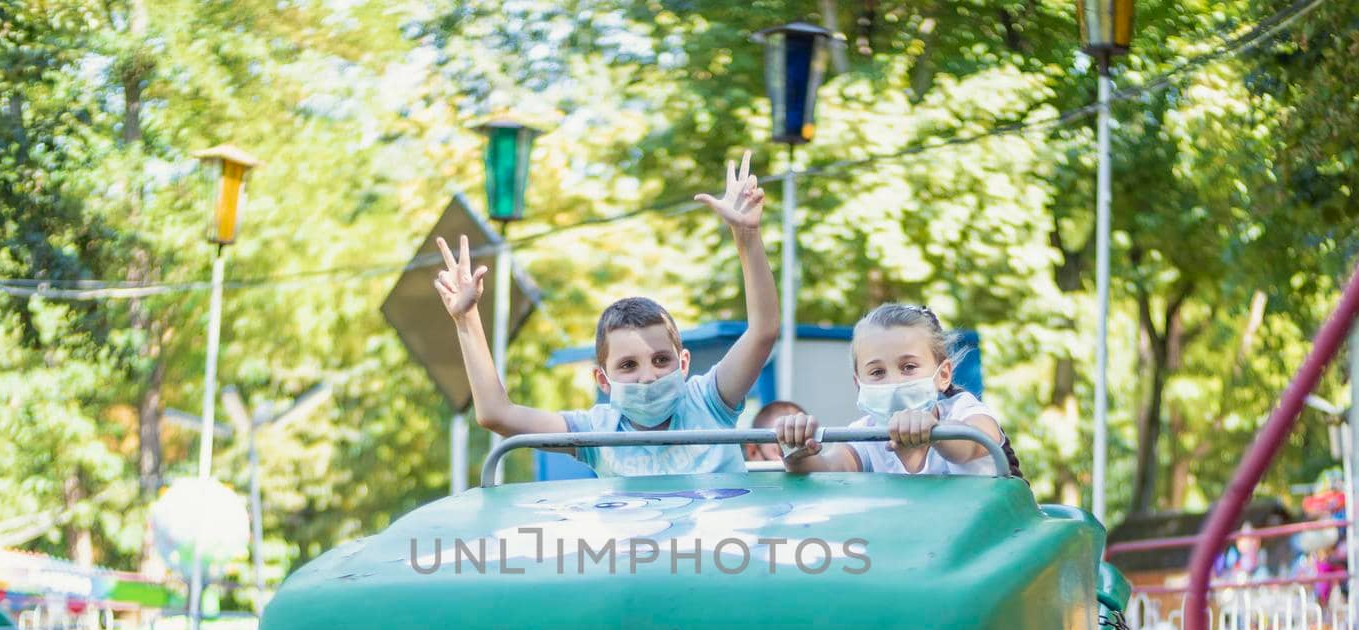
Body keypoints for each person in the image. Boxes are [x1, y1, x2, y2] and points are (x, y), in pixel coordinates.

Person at [432, 152, 778, 477]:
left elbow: (763, 331)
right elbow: (496, 414)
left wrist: (747, 237)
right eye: (628, 365)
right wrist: (467, 319)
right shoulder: (597, 431)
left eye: (661, 360)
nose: (648, 377)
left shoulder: (709, 402)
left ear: (683, 362)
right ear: (602, 379)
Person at [771, 302, 1021, 478]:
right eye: (877, 372)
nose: (894, 382)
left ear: (943, 375)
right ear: (859, 385)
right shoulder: (864, 434)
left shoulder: (965, 412)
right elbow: (830, 469)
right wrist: (798, 453)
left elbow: (973, 444)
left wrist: (933, 429)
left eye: (909, 367)